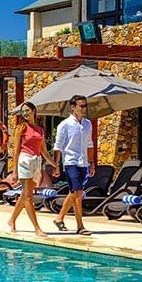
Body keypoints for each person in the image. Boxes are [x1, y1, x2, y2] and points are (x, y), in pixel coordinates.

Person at [7, 102, 55, 236]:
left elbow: (44, 151)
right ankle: (37, 228)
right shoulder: (20, 128)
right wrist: (15, 171)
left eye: (27, 110)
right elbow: (16, 151)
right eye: (23, 112)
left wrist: (54, 164)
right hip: (25, 161)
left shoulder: (40, 129)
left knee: (25, 194)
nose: (25, 114)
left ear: (34, 111)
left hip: (36, 162)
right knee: (28, 196)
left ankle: (12, 220)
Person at [51, 95, 95, 235]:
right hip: (70, 162)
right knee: (78, 193)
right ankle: (80, 226)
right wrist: (56, 165)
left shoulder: (88, 124)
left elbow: (89, 144)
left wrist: (92, 163)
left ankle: (59, 218)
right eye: (81, 106)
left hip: (83, 163)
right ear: (73, 107)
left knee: (74, 193)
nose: (84, 108)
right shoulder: (64, 125)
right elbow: (58, 146)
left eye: (85, 106)